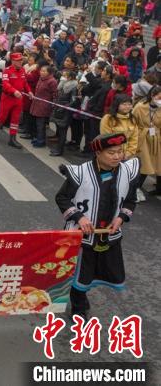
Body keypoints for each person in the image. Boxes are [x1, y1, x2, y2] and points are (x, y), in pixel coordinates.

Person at [55, 133, 139, 321]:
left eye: (120, 152)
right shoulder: (80, 173)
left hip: (108, 234)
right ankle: (78, 306)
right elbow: (61, 198)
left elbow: (132, 201)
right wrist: (79, 217)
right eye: (111, 153)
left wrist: (121, 218)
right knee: (81, 271)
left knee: (99, 269)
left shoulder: (127, 172)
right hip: (82, 235)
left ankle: (81, 299)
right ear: (98, 153)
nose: (117, 156)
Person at [0, 53, 32, 149]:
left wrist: (29, 91)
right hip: (7, 98)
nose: (20, 62)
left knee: (15, 119)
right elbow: (5, 84)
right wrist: (14, 91)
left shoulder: (22, 70)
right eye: (18, 60)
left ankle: (12, 139)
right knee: (2, 117)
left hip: (18, 99)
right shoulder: (7, 71)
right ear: (13, 61)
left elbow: (25, 83)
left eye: (21, 60)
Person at [132, 86, 161, 197]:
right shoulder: (140, 107)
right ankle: (136, 188)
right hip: (142, 138)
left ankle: (159, 189)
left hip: (156, 138)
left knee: (158, 164)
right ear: (152, 95)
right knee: (144, 163)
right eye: (159, 97)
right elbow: (133, 122)